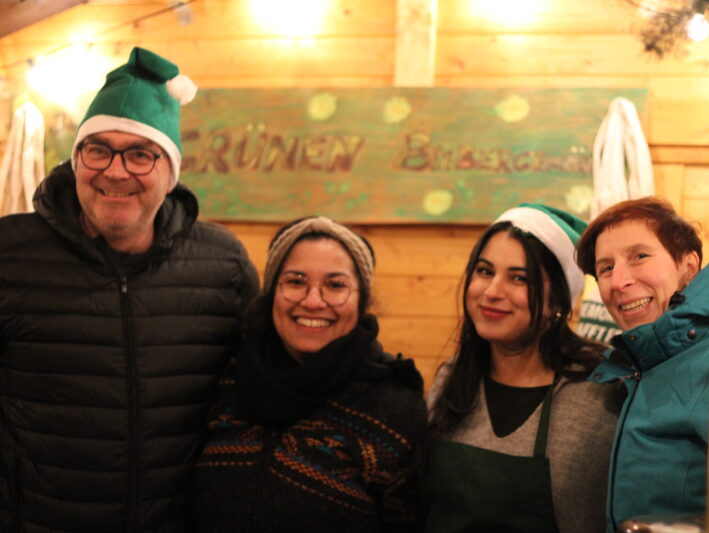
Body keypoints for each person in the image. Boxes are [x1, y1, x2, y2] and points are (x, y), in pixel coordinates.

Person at [0, 47, 259, 532]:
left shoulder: (222, 263)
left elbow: (265, 383)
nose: (115, 171)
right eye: (97, 149)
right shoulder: (9, 254)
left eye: (140, 154)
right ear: (76, 159)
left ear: (170, 171)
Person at [192, 216, 428, 532]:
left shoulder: (395, 407)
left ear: (362, 301)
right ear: (272, 291)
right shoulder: (227, 378)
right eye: (295, 281)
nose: (313, 301)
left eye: (335, 285)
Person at [426, 204, 622, 533]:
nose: (491, 292)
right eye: (485, 271)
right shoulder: (452, 377)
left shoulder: (600, 391)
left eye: (519, 278)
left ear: (558, 301)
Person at [575, 196, 709, 532]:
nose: (619, 281)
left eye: (639, 256)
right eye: (606, 268)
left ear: (689, 267)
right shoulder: (628, 367)